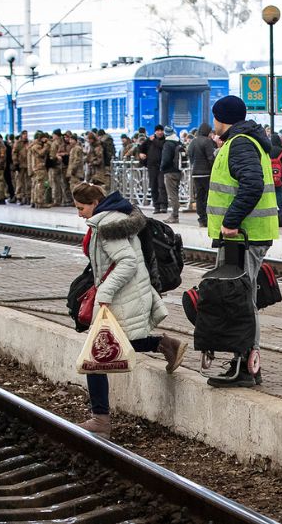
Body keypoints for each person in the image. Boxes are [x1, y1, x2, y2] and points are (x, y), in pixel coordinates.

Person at [72, 182, 182, 436]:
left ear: (95, 204)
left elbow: (127, 262)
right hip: (130, 292)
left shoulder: (108, 225)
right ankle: (165, 345)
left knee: (96, 358)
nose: (79, 213)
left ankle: (100, 420)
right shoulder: (116, 217)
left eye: (82, 207)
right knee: (117, 344)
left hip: (123, 294)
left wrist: (105, 292)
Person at [205, 95, 281, 387]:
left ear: (222, 118)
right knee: (239, 298)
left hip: (243, 236)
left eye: (215, 118)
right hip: (245, 235)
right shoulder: (241, 142)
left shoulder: (240, 144)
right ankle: (243, 362)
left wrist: (231, 222)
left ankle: (246, 366)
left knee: (239, 300)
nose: (214, 123)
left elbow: (251, 184)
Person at [188, 124, 217, 228]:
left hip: (196, 174)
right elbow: (210, 157)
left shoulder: (193, 142)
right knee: (209, 196)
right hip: (206, 173)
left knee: (199, 197)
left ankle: (201, 218)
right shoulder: (207, 141)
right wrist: (214, 168)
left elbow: (190, 156)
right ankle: (208, 218)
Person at [160, 131, 183, 223]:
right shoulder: (178, 142)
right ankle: (175, 214)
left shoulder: (168, 144)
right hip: (178, 171)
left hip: (170, 172)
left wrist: (162, 168)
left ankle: (174, 215)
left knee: (172, 194)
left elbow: (166, 159)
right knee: (175, 193)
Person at [28, 132, 51, 208]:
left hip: (37, 168)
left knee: (36, 185)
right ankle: (40, 202)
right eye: (44, 138)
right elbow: (41, 153)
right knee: (41, 185)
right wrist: (47, 145)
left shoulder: (34, 145)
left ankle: (34, 201)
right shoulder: (37, 146)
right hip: (39, 168)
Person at [49, 129, 70, 206]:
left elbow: (52, 155)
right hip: (63, 165)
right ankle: (64, 200)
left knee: (55, 184)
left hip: (56, 165)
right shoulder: (64, 141)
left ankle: (56, 200)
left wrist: (55, 157)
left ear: (56, 135)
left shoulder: (55, 143)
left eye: (53, 135)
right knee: (63, 183)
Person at [12, 133, 31, 205]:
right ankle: (19, 197)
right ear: (21, 135)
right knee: (20, 182)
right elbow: (14, 153)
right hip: (20, 165)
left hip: (27, 165)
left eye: (26, 135)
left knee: (28, 182)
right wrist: (16, 163)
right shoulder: (18, 143)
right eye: (24, 135)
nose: (25, 136)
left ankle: (28, 196)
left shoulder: (28, 143)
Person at [66, 133, 86, 199]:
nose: (70, 141)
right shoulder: (73, 149)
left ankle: (78, 200)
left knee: (76, 187)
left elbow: (77, 160)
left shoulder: (77, 149)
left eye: (72, 140)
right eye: (70, 140)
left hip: (77, 172)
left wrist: (73, 170)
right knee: (73, 187)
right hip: (73, 172)